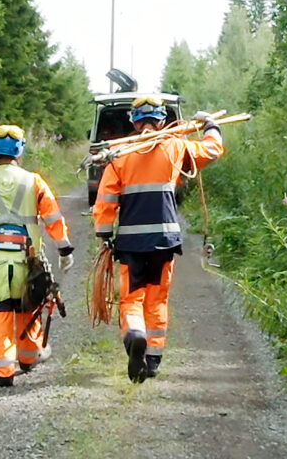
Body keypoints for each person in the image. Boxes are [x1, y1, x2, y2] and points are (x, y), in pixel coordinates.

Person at [92, 96, 225, 383]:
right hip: (164, 242)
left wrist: (104, 233)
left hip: (130, 244)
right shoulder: (176, 146)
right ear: (162, 120)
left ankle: (135, 336)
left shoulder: (121, 152)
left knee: (131, 300)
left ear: (134, 122)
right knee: (157, 299)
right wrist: (211, 125)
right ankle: (152, 360)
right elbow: (212, 150)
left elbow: (106, 199)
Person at [0, 124, 76, 387]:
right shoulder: (35, 182)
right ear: (20, 151)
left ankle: (3, 373)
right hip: (26, 262)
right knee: (28, 307)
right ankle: (29, 359)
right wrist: (64, 248)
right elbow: (53, 217)